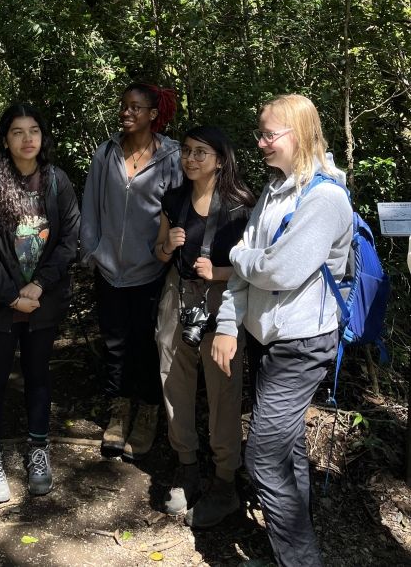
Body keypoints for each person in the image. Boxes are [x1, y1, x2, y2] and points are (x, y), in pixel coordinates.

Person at [211, 95, 352, 567]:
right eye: (261, 133)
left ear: (298, 133)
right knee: (286, 448)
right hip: (268, 338)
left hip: (304, 343)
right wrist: (230, 323)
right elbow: (253, 271)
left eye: (270, 134)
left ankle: (300, 558)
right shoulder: (274, 191)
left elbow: (278, 271)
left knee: (263, 459)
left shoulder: (326, 197)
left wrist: (238, 257)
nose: (261, 142)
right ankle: (296, 538)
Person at [0, 104, 79, 504]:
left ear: (43, 137)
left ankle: (38, 450)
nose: (27, 138)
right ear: (5, 138)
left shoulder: (57, 182)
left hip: (42, 303)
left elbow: (68, 240)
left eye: (34, 130)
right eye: (17, 131)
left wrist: (38, 287)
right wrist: (12, 294)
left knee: (38, 376)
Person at [154, 125, 253, 527]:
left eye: (201, 153)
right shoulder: (175, 198)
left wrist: (219, 271)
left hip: (224, 298)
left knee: (223, 387)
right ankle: (187, 465)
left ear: (220, 159)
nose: (190, 159)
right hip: (177, 294)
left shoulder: (241, 204)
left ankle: (225, 478)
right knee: (172, 378)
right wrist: (168, 245)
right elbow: (158, 253)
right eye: (187, 152)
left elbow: (255, 268)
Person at [80, 82, 181, 460]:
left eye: (135, 107)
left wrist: (166, 257)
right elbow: (91, 204)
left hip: (152, 269)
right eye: (123, 106)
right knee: (115, 342)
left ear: (153, 114)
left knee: (148, 343)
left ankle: (149, 410)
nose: (126, 112)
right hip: (109, 269)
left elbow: (175, 211)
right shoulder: (105, 152)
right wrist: (92, 251)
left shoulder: (170, 156)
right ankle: (119, 410)